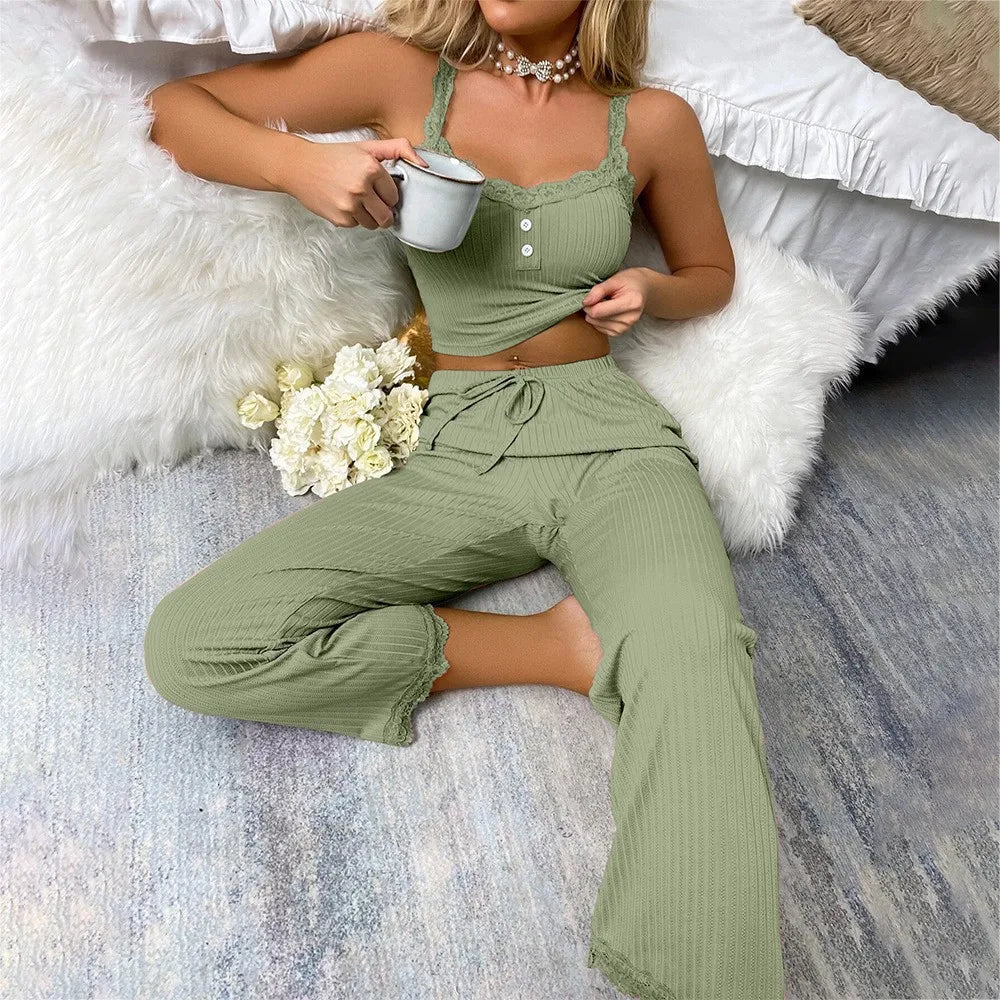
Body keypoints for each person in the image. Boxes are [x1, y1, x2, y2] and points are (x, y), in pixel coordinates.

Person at [142, 2, 786, 997]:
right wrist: (301, 165)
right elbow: (173, 110)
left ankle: (700, 979)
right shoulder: (400, 74)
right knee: (195, 643)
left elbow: (711, 271)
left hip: (612, 440)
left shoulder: (652, 123)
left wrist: (653, 292)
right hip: (459, 449)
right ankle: (562, 649)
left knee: (697, 656)